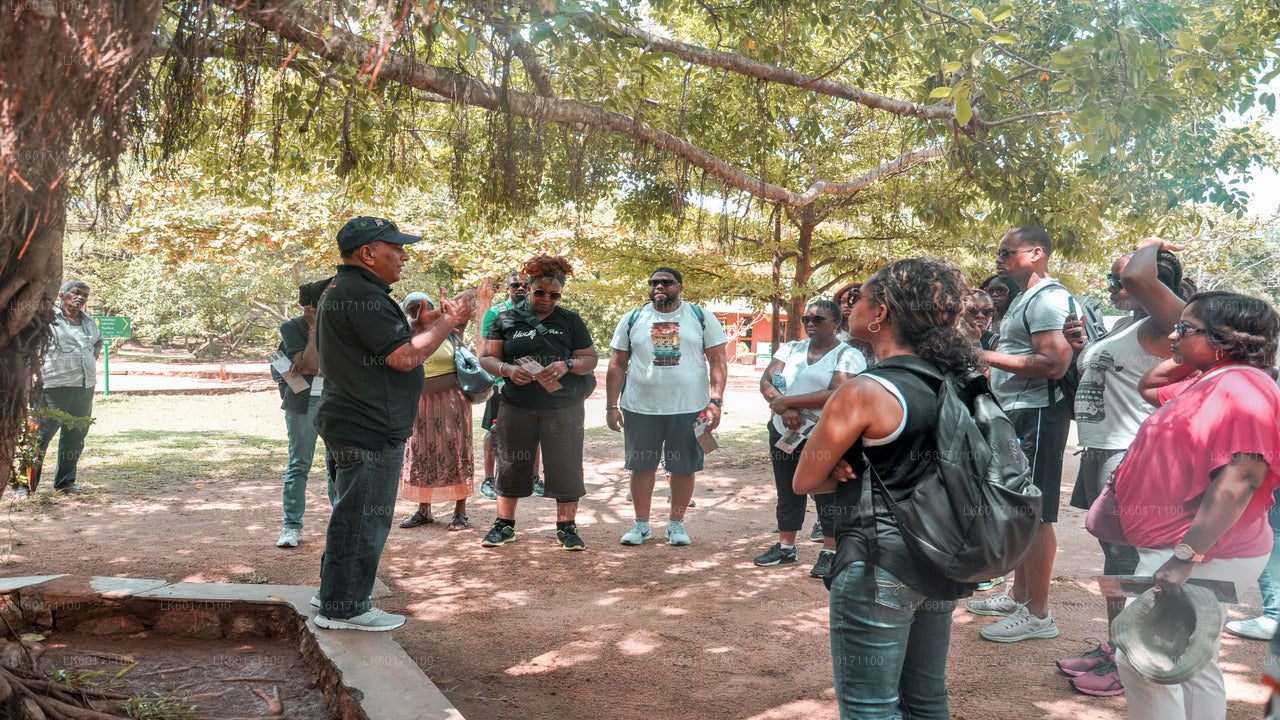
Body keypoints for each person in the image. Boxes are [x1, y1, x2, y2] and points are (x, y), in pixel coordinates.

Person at [793, 258, 980, 719]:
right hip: (943, 558)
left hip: (879, 562)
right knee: (926, 701)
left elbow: (805, 479)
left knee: (869, 709)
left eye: (859, 298)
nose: (850, 304)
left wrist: (835, 461)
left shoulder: (864, 391)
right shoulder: (959, 380)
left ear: (881, 315)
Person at [1111, 291, 1280, 720]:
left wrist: (1185, 557)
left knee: (1146, 661)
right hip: (1188, 549)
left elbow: (1239, 481)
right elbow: (1150, 386)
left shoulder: (1241, 389)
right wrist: (1192, 349)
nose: (1172, 334)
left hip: (1199, 552)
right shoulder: (1216, 378)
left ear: (1222, 340)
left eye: (1184, 329)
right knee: (1191, 663)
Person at [313, 216, 474, 631]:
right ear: (367, 253)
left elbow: (392, 345)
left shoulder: (347, 290)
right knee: (364, 517)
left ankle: (333, 593)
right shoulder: (360, 294)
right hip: (368, 426)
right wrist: (447, 323)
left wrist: (425, 327)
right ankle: (345, 608)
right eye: (395, 248)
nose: (404, 256)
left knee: (350, 513)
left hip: (352, 421)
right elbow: (403, 357)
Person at [1055, 239, 1185, 696]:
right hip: (1100, 448)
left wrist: (1149, 245)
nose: (1114, 288)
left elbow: (1139, 279)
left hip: (1130, 451)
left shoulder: (1169, 321)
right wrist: (1080, 349)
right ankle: (1117, 646)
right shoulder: (1128, 326)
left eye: (1119, 281)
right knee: (1115, 556)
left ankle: (1135, 660)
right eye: (1110, 281)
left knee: (1131, 560)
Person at [965, 227, 1073, 643]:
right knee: (1023, 507)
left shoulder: (1047, 298)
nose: (999, 258)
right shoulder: (1025, 298)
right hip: (1021, 413)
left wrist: (983, 355)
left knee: (1037, 512)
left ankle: (1039, 614)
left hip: (1040, 412)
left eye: (1007, 252)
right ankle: (1021, 596)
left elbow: (1053, 364)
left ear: (1036, 253)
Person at [477, 255, 598, 550]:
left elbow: (590, 358)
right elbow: (487, 357)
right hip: (517, 405)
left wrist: (568, 364)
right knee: (510, 462)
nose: (546, 299)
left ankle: (567, 528)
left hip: (563, 406)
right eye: (540, 292)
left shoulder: (570, 320)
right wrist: (508, 370)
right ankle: (504, 526)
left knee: (566, 464)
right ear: (529, 288)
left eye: (554, 294)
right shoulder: (506, 319)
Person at [606, 267, 728, 547]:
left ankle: (676, 525)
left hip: (689, 408)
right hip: (640, 407)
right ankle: (641, 526)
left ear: (680, 287)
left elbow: (718, 361)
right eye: (654, 282)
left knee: (684, 468)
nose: (659, 286)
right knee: (640, 466)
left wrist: (715, 400)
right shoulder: (633, 318)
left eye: (666, 282)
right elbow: (617, 364)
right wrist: (611, 405)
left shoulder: (700, 317)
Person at [753, 299, 864, 577]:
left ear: (837, 324)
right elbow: (767, 381)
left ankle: (830, 551)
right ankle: (786, 547)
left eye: (819, 320)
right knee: (788, 489)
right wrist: (786, 407)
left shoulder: (848, 355)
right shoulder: (790, 349)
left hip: (824, 435)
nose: (810, 324)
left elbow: (836, 394)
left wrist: (789, 402)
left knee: (827, 491)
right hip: (784, 430)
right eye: (807, 319)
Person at [395, 293, 473, 532]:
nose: (426, 311)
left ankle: (460, 512)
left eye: (428, 306)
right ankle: (424, 510)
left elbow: (468, 305)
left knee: (456, 450)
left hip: (451, 400)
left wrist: (451, 308)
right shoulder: (404, 336)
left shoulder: (448, 329)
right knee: (421, 453)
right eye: (418, 309)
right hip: (418, 403)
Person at [22, 280, 102, 497]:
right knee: (39, 437)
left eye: (85, 295)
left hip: (84, 388)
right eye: (76, 293)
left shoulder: (88, 321)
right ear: (62, 295)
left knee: (75, 437)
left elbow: (98, 342)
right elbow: (28, 346)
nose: (80, 298)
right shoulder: (47, 320)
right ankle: (24, 487)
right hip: (52, 388)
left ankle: (65, 483)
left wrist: (89, 360)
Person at [272, 277, 331, 548]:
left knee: (339, 466)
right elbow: (309, 363)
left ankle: (341, 526)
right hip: (303, 402)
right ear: (310, 306)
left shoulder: (339, 324)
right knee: (299, 464)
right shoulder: (292, 327)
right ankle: (291, 526)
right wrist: (312, 328)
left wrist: (314, 367)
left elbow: (317, 367)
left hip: (335, 400)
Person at [477, 271, 542, 501]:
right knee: (494, 431)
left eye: (525, 285)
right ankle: (488, 478)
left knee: (535, 432)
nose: (520, 289)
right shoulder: (495, 313)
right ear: (507, 288)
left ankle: (534, 478)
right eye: (515, 285)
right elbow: (487, 352)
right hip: (502, 382)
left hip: (532, 382)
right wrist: (501, 378)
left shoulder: (536, 313)